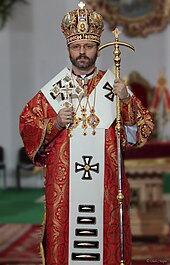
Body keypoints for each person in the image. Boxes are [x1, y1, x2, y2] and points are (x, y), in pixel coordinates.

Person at [19, 2, 154, 265]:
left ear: (97, 48)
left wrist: (125, 100)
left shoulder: (112, 87)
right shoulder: (55, 91)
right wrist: (55, 122)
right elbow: (27, 123)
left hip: (105, 184)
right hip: (65, 186)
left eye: (88, 46)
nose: (82, 52)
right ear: (68, 48)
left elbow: (139, 132)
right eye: (76, 46)